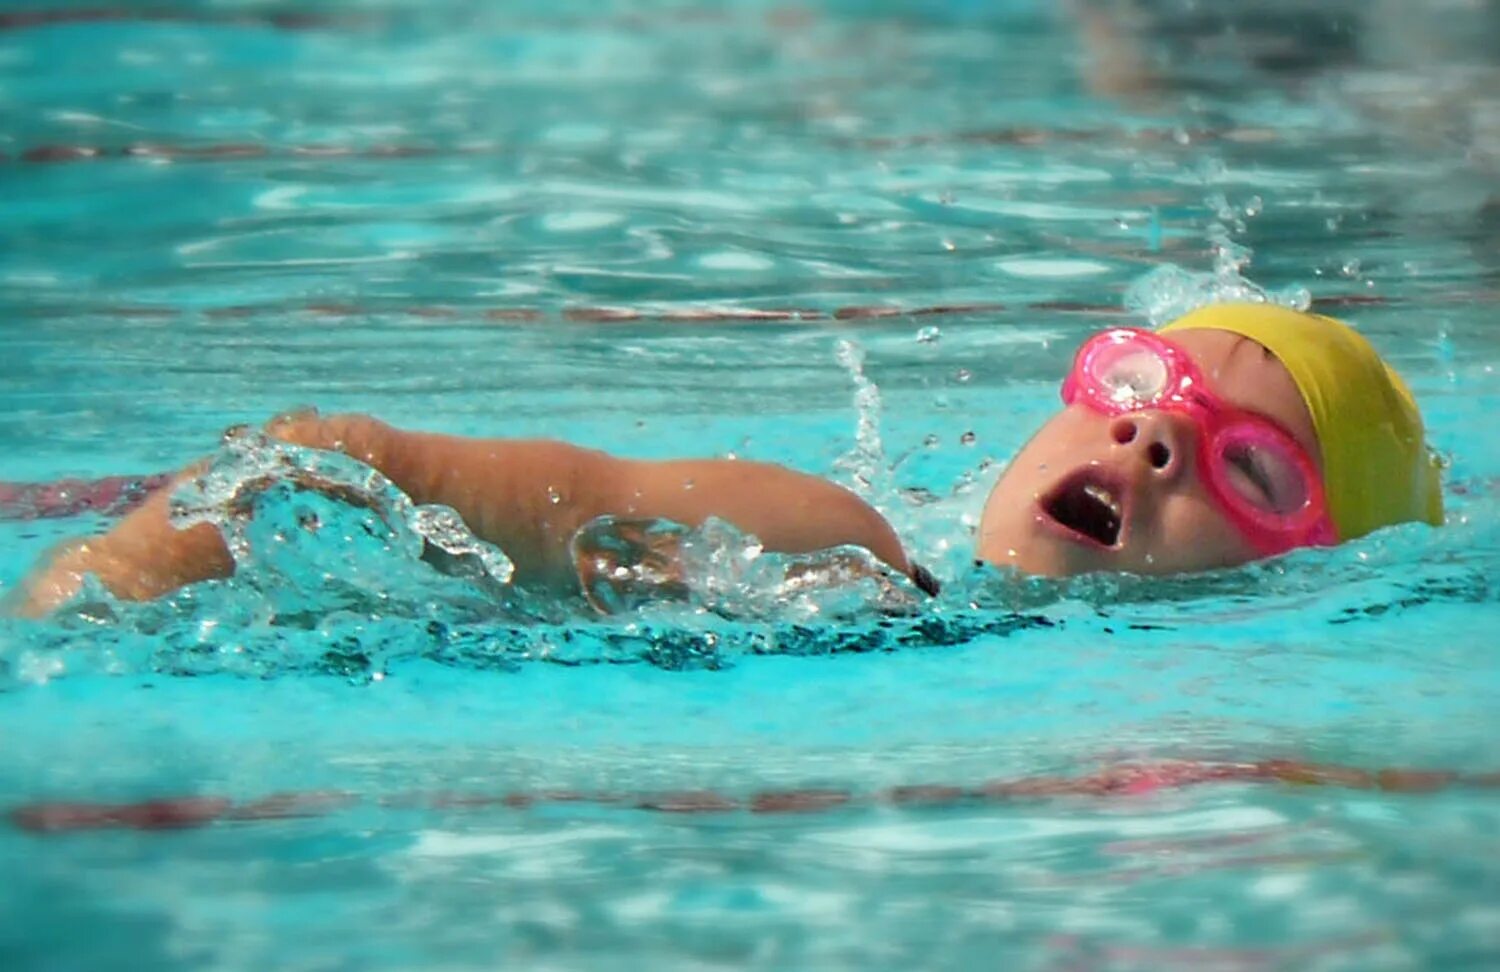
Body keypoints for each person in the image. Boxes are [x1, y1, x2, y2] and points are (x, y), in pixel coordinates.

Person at [11, 303, 1443, 617]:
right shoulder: (829, 544)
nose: (1153, 434)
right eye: (1136, 383)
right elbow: (338, 463)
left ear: (1319, 577)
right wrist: (85, 589)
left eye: (1254, 471)